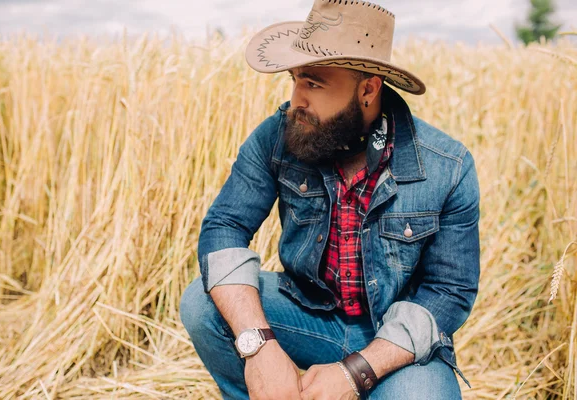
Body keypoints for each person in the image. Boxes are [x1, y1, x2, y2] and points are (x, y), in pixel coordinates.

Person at [180, 1, 480, 399]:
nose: (297, 98)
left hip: (394, 340)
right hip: (307, 316)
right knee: (201, 302)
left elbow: (449, 291)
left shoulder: (448, 165)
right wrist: (260, 346)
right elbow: (225, 227)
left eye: (314, 84)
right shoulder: (278, 136)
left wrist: (355, 374)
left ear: (368, 89)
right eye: (295, 79)